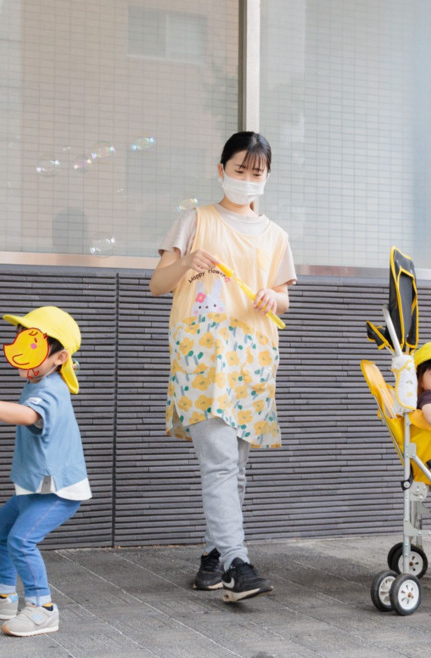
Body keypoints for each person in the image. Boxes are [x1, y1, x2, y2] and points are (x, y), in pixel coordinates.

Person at [149, 131, 296, 602]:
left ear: (267, 178)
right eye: (240, 170)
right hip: (203, 355)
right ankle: (237, 563)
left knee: (236, 469)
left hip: (253, 355)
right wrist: (189, 262)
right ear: (221, 170)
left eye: (257, 174)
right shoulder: (194, 221)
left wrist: (276, 296)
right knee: (219, 463)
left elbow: (283, 296)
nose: (248, 180)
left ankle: (213, 558)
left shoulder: (276, 235)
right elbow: (158, 284)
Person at [0, 306, 90, 636]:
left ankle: (43, 608)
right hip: (33, 486)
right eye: (21, 341)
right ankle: (3, 597)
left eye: (34, 345)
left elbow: (26, 416)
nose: (21, 353)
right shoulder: (38, 381)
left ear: (59, 357)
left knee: (22, 540)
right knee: (0, 529)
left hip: (57, 489)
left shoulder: (52, 389)